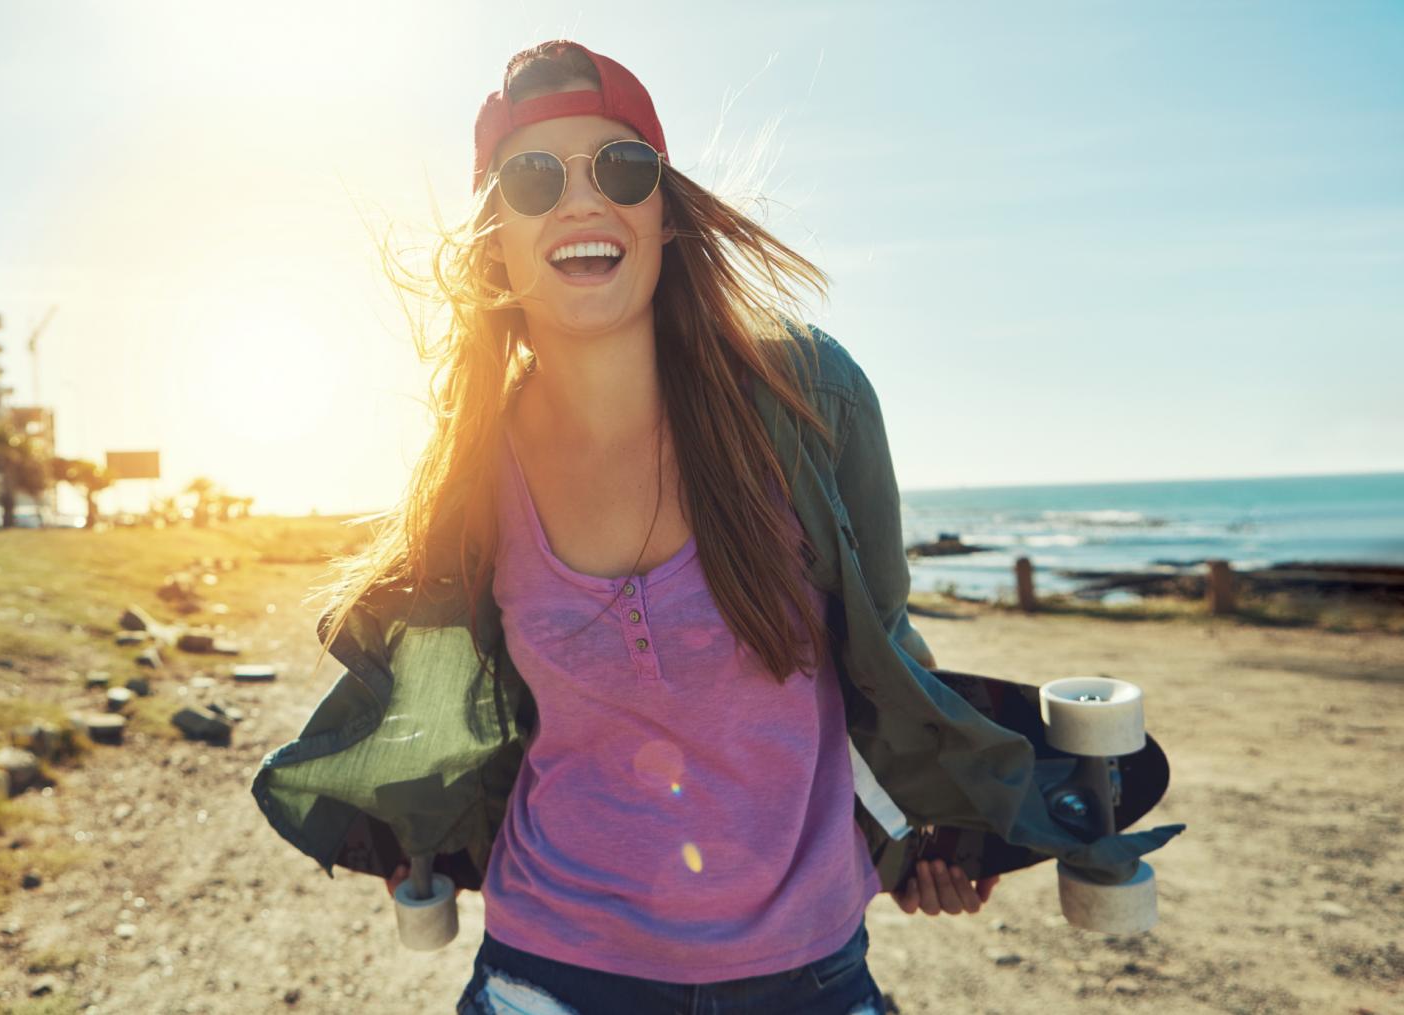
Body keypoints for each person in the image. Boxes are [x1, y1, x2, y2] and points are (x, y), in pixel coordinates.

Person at [250, 37, 1180, 1015]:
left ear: (664, 211)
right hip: (549, 964)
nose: (581, 200)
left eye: (621, 167)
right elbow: (441, 690)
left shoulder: (805, 394)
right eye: (532, 178)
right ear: (493, 239)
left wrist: (931, 833)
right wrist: (416, 827)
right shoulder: (474, 462)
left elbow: (883, 651)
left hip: (806, 966)